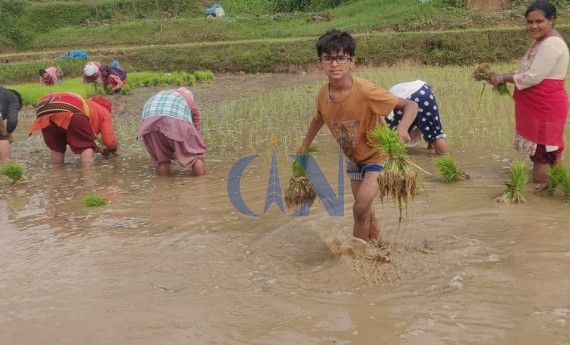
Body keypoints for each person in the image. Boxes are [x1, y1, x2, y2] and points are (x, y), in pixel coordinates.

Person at [298, 29, 418, 242]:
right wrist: (305, 145)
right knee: (366, 212)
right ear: (319, 64)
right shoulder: (322, 94)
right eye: (328, 58)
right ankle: (378, 246)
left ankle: (356, 258)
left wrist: (402, 128)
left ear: (352, 62)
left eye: (341, 58)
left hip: (377, 156)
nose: (335, 64)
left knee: (360, 206)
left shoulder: (365, 91)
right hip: (353, 158)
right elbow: (319, 118)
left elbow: (410, 105)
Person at [490, 1, 569, 184]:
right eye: (529, 22)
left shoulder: (552, 44)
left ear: (551, 20)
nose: (533, 26)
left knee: (544, 151)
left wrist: (504, 77)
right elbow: (528, 70)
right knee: (543, 151)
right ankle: (553, 187)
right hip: (540, 106)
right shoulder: (541, 41)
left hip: (546, 107)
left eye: (539, 21)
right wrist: (503, 75)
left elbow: (533, 77)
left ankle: (544, 195)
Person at [28, 92, 118, 165]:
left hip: (43, 107)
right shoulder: (105, 112)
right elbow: (109, 141)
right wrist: (114, 147)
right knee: (85, 146)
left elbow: (73, 135)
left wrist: (100, 150)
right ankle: (89, 178)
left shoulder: (87, 104)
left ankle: (57, 177)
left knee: (56, 147)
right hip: (69, 108)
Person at [138, 87, 206, 177]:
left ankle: (165, 186)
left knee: (161, 160)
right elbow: (196, 121)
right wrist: (192, 143)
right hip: (173, 118)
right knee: (196, 155)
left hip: (148, 123)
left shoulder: (162, 94)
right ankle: (200, 183)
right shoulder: (188, 99)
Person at [386, 80, 449, 155]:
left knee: (392, 140)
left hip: (400, 99)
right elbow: (429, 130)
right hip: (423, 92)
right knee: (435, 135)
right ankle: (445, 159)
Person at [0, 86, 23, 161]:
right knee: (2, 138)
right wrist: (8, 134)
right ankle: (6, 168)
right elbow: (12, 121)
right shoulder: (13, 98)